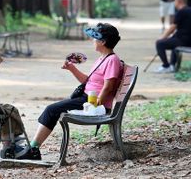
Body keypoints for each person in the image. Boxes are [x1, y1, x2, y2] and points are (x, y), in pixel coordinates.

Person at [17, 23, 123, 160]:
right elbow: (87, 81)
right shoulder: (102, 59)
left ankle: (33, 149)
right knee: (53, 109)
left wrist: (96, 104)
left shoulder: (112, 60)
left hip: (93, 103)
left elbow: (108, 86)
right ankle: (33, 148)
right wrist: (72, 68)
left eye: (95, 39)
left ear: (102, 41)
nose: (92, 41)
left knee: (51, 109)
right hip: (88, 99)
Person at [155, 0, 191, 73]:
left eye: (175, 1)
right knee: (174, 41)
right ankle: (172, 65)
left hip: (183, 40)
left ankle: (166, 66)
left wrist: (163, 37)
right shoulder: (189, 10)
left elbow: (173, 27)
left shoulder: (181, 11)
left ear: (179, 1)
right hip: (189, 41)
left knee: (159, 43)